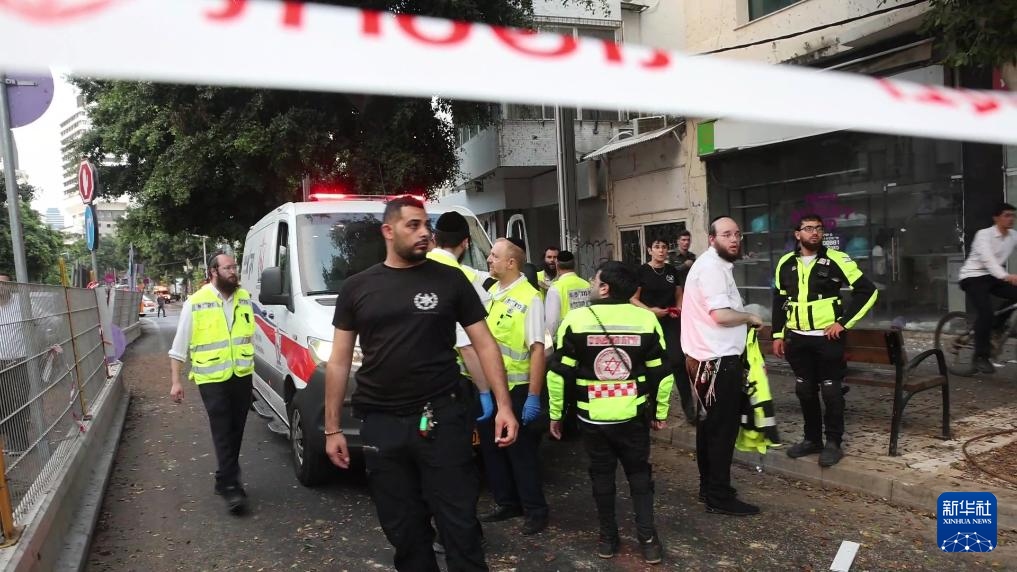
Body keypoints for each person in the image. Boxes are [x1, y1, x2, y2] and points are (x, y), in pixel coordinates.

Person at [323, 196, 518, 572]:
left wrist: (504, 406)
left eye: (426, 225)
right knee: (404, 530)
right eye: (413, 225)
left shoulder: (450, 280)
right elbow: (339, 360)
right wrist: (333, 428)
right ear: (388, 231)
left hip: (442, 418)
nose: (424, 232)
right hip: (382, 424)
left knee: (459, 524)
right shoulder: (357, 288)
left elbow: (484, 344)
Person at [547, 261, 673, 563]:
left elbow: (558, 374)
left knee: (602, 477)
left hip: (592, 418)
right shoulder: (646, 320)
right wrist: (660, 412)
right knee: (640, 477)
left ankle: (607, 538)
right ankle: (648, 541)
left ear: (605, 288)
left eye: (595, 280)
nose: (591, 284)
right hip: (633, 417)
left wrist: (556, 414)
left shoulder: (576, 320)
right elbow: (662, 373)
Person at [772, 214, 878, 467]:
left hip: (827, 339)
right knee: (805, 390)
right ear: (797, 234)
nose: (814, 233)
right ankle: (812, 439)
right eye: (808, 228)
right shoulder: (785, 263)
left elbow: (867, 291)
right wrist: (777, 334)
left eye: (819, 228)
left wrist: (843, 323)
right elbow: (779, 300)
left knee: (831, 391)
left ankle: (833, 443)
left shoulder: (837, 259)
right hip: (797, 339)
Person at [681, 216, 762, 517]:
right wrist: (749, 317)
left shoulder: (711, 264)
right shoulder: (712, 268)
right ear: (712, 239)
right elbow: (721, 315)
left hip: (707, 359)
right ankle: (718, 495)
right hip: (715, 361)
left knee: (710, 427)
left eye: (737, 234)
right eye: (726, 234)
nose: (734, 239)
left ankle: (711, 487)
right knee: (721, 431)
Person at [168, 253, 256, 514]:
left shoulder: (244, 298)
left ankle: (223, 477)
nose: (233, 271)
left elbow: (250, 336)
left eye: (234, 267)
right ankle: (231, 486)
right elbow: (179, 346)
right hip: (211, 378)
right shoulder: (196, 302)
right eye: (227, 268)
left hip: (241, 375)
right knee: (222, 428)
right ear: (213, 272)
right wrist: (176, 381)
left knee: (236, 429)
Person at [477, 237, 549, 536]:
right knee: (493, 449)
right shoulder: (492, 292)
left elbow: (537, 349)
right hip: (491, 388)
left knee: (521, 453)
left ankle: (535, 510)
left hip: (517, 389)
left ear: (511, 262)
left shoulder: (529, 298)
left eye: (494, 255)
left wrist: (533, 396)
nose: (489, 259)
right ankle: (507, 502)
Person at [632, 238, 694, 424]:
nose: (661, 250)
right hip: (649, 323)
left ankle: (690, 410)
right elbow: (633, 299)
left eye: (664, 247)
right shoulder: (641, 271)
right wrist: (651, 311)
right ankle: (651, 408)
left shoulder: (671, 271)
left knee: (678, 362)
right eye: (657, 247)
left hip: (670, 322)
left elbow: (679, 293)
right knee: (652, 365)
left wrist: (679, 308)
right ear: (649, 250)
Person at [958, 202, 1017, 374]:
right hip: (973, 277)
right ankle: (980, 357)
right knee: (986, 313)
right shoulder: (983, 235)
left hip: (993, 277)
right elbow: (988, 260)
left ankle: (995, 329)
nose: (1011, 219)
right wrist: (1007, 276)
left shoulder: (1013, 235)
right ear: (996, 218)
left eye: (1013, 215)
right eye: (1006, 215)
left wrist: (1004, 276)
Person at [0, 275, 31, 456]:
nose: (0, 287)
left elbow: (50, 321)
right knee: (4, 404)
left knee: (17, 403)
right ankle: (10, 439)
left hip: (18, 361)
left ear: (11, 285)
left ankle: (19, 443)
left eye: (4, 283)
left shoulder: (23, 305)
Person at [543, 250, 590, 337]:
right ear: (574, 265)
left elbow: (552, 322)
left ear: (557, 265)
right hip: (585, 335)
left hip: (566, 338)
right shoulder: (587, 285)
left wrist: (547, 341)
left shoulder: (556, 288)